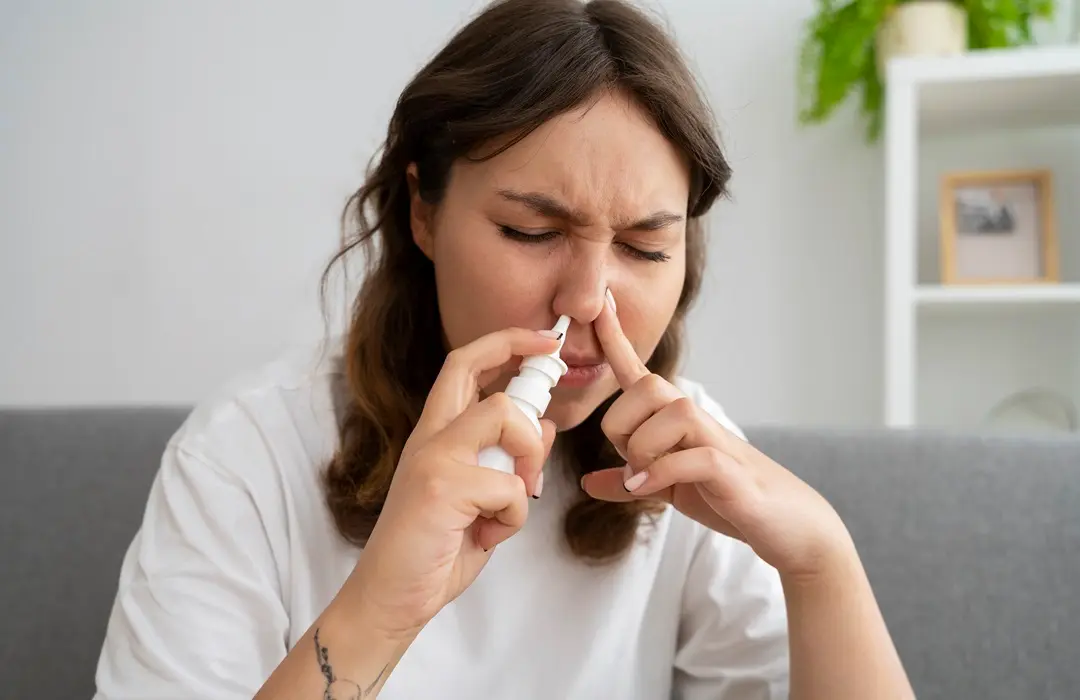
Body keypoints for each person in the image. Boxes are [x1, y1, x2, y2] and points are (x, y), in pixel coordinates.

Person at [94, 1, 914, 698]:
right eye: (532, 230)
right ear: (422, 213)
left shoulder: (693, 473)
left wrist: (821, 565)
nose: (588, 299)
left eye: (645, 246)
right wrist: (381, 606)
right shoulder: (248, 455)